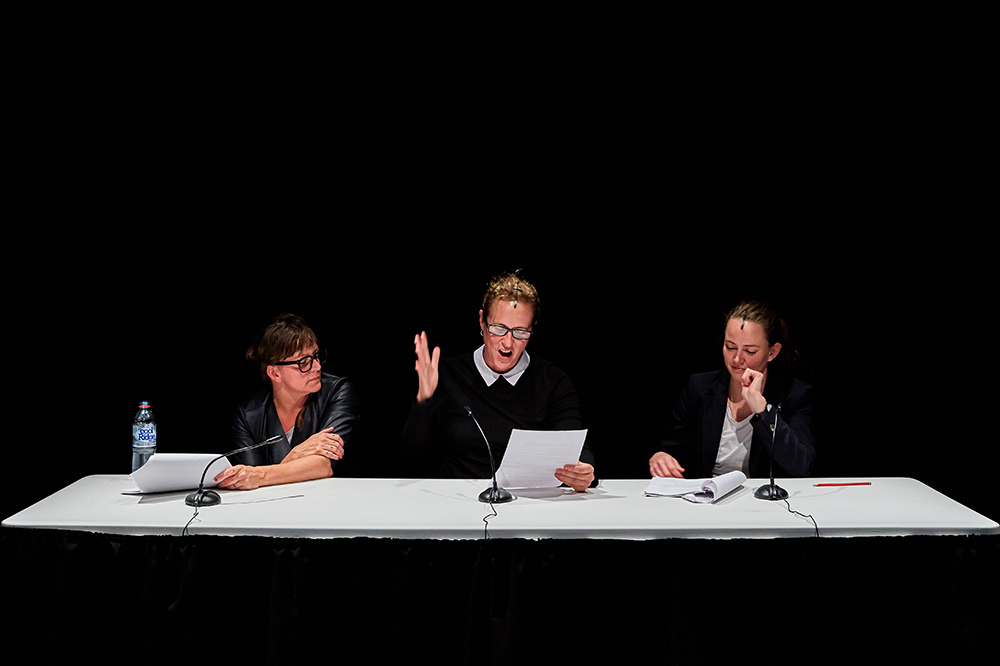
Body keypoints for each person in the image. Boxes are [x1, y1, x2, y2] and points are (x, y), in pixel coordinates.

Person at [402, 270, 596, 491]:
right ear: (482, 322)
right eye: (499, 329)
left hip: (527, 501)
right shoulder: (447, 375)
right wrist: (424, 402)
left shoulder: (552, 381)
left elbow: (576, 447)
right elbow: (412, 459)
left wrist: (583, 471)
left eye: (520, 332)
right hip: (457, 498)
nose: (508, 342)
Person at [649, 300, 815, 479]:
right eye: (730, 347)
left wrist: (763, 411)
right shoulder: (700, 387)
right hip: (707, 492)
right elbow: (671, 449)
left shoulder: (795, 395)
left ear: (772, 352)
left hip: (761, 495)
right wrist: (660, 457)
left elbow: (801, 466)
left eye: (750, 351)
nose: (736, 359)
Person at [215, 313, 361, 490]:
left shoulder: (337, 391)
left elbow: (324, 464)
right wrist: (297, 453)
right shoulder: (248, 416)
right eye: (304, 362)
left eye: (316, 356)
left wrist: (262, 475)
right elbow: (249, 481)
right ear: (275, 373)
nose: (317, 367)